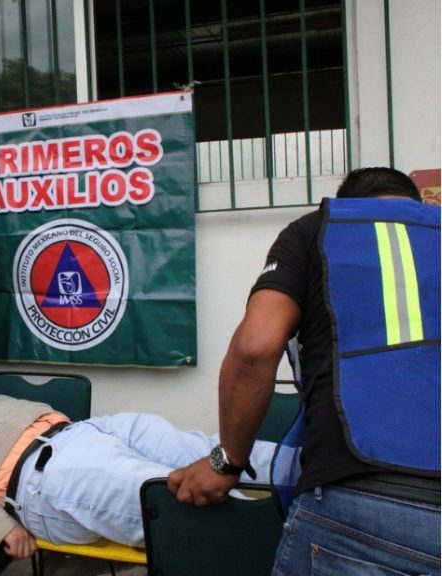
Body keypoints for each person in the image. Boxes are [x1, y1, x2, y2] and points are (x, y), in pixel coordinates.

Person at [168, 168, 440, 574]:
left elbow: (254, 350)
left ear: (349, 203)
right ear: (416, 203)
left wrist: (227, 463)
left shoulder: (319, 229)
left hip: (358, 504)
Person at [0, 385, 275, 558]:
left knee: (215, 450)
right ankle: (299, 546)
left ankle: (308, 469)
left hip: (86, 430)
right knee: (186, 507)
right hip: (47, 477)